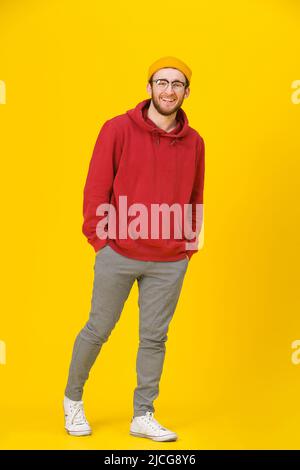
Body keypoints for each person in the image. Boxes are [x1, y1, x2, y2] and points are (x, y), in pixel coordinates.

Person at [63, 56, 205, 441]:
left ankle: (143, 413)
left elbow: (195, 196)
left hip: (169, 260)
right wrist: (100, 241)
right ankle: (72, 399)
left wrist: (187, 246)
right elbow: (96, 186)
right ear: (149, 88)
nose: (169, 90)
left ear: (186, 92)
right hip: (119, 252)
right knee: (98, 328)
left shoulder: (194, 142)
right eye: (162, 82)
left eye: (177, 84)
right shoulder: (117, 129)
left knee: (155, 338)